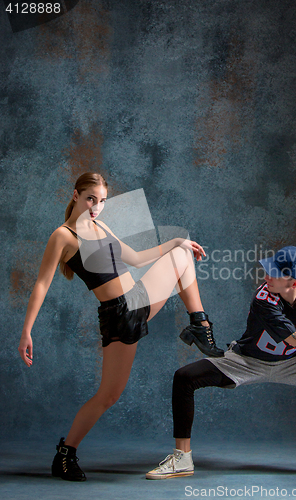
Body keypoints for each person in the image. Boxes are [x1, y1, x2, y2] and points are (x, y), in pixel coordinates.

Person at [18, 172, 223, 482]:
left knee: (181, 253)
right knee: (108, 395)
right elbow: (42, 284)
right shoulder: (63, 235)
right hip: (119, 313)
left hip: (137, 297)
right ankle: (65, 455)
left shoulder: (101, 226)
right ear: (75, 195)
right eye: (90, 199)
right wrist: (27, 331)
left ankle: (199, 325)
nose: (95, 207)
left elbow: (138, 259)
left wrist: (175, 241)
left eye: (101, 201)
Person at [146, 246, 296, 480]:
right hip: (247, 360)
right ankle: (182, 457)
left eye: (275, 272)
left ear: (295, 282)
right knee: (184, 377)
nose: (266, 275)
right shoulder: (264, 298)